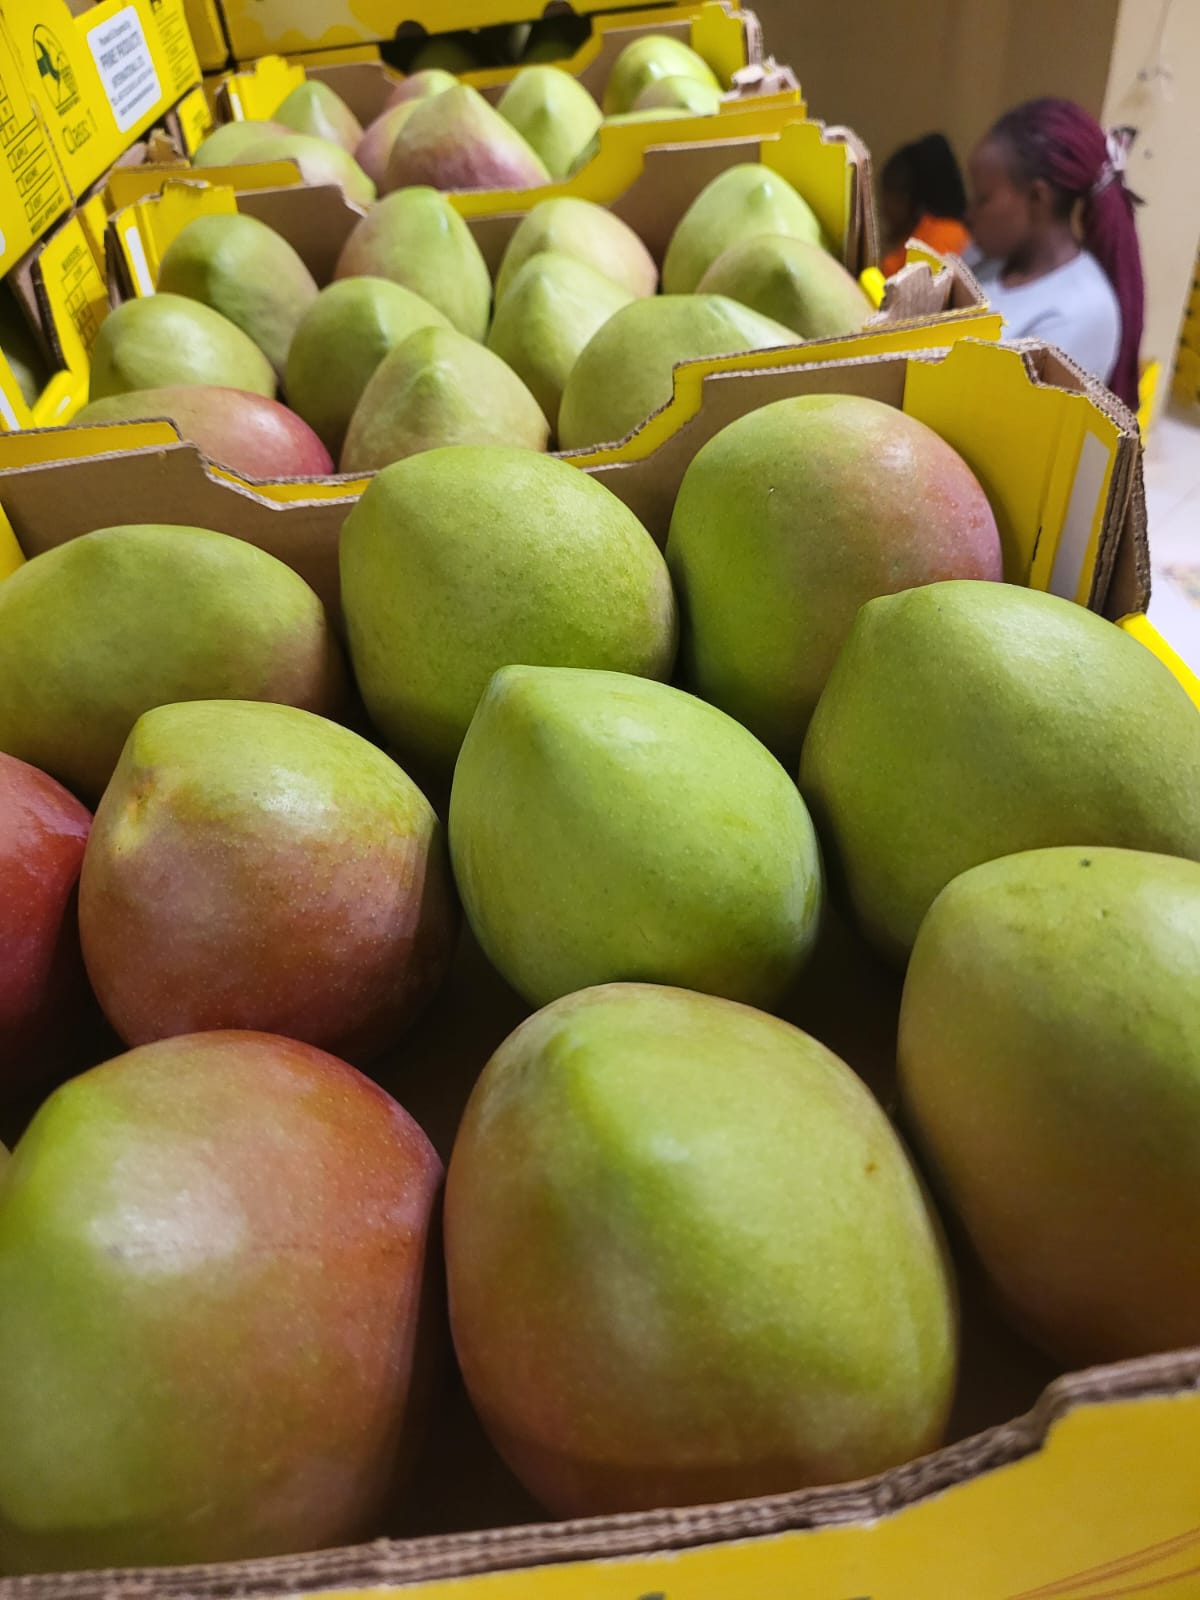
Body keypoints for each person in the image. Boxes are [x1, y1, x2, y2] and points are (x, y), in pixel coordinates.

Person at [966, 98, 1144, 410]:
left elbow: (1008, 426)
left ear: (1037, 197)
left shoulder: (1080, 311)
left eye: (983, 199)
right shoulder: (985, 260)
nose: (969, 214)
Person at [879, 134, 972, 277]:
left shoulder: (943, 236)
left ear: (909, 196)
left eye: (889, 194)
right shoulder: (917, 239)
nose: (883, 207)